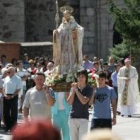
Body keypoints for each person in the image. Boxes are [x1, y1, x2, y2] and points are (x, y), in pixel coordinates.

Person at [53, 6, 84, 74]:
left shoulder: (74, 23)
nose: (66, 16)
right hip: (64, 46)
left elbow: (80, 29)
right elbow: (59, 32)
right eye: (65, 15)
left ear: (70, 15)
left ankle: (72, 74)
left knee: (72, 59)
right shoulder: (62, 24)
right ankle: (63, 73)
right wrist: (56, 32)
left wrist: (75, 31)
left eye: (67, 15)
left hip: (72, 46)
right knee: (63, 60)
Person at [67, 69, 93, 140]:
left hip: (83, 118)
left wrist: (76, 90)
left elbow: (84, 101)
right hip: (73, 117)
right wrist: (73, 90)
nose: (80, 78)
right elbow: (69, 102)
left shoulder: (89, 89)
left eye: (82, 76)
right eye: (79, 76)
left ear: (86, 78)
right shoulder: (73, 88)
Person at [3, 66, 22, 131]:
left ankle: (13, 127)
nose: (7, 73)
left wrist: (12, 96)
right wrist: (4, 94)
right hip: (6, 95)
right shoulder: (6, 78)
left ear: (13, 72)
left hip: (13, 96)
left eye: (9, 71)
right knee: (6, 112)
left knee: (14, 112)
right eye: (7, 71)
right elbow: (3, 87)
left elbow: (18, 89)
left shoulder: (18, 78)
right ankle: (8, 126)